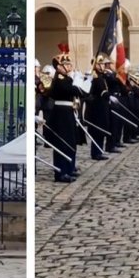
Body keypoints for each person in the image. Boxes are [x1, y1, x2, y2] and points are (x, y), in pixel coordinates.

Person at [45, 49, 81, 183]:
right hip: (61, 112)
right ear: (59, 67)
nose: (69, 66)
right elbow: (70, 90)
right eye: (66, 64)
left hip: (68, 111)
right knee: (62, 143)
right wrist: (76, 82)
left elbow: (80, 92)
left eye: (69, 64)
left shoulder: (66, 79)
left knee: (70, 142)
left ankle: (69, 168)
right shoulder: (60, 79)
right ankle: (61, 172)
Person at [86, 55, 110, 161]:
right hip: (96, 108)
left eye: (103, 64)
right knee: (97, 131)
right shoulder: (94, 77)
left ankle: (99, 151)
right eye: (100, 64)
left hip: (102, 107)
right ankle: (96, 153)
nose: (103, 66)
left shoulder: (101, 76)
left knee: (101, 131)